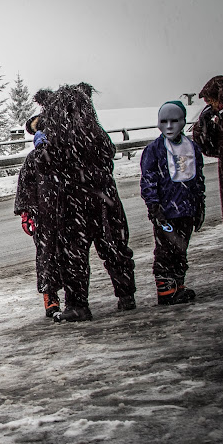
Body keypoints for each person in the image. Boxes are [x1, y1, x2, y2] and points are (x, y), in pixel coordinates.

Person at [35, 83, 136, 322]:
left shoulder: (58, 137)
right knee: (113, 246)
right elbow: (107, 154)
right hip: (104, 197)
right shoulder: (94, 132)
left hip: (73, 200)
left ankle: (78, 304)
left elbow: (46, 164)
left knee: (74, 254)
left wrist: (44, 147)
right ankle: (126, 295)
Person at [140, 100, 205, 304]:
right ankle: (166, 290)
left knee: (181, 249)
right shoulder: (154, 150)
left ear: (183, 122)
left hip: (186, 209)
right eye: (164, 121)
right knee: (165, 251)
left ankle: (178, 284)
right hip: (166, 211)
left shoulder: (191, 148)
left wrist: (199, 204)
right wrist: (153, 204)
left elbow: (197, 178)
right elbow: (148, 179)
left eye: (174, 121)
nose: (169, 126)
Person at [14, 90, 62, 317]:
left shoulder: (63, 155)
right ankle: (50, 297)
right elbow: (25, 186)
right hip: (43, 216)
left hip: (65, 213)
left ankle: (70, 295)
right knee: (46, 256)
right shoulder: (32, 160)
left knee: (66, 255)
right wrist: (26, 212)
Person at [192, 75, 223, 289]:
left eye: (211, 100)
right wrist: (203, 125)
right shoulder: (222, 120)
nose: (211, 105)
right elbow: (209, 147)